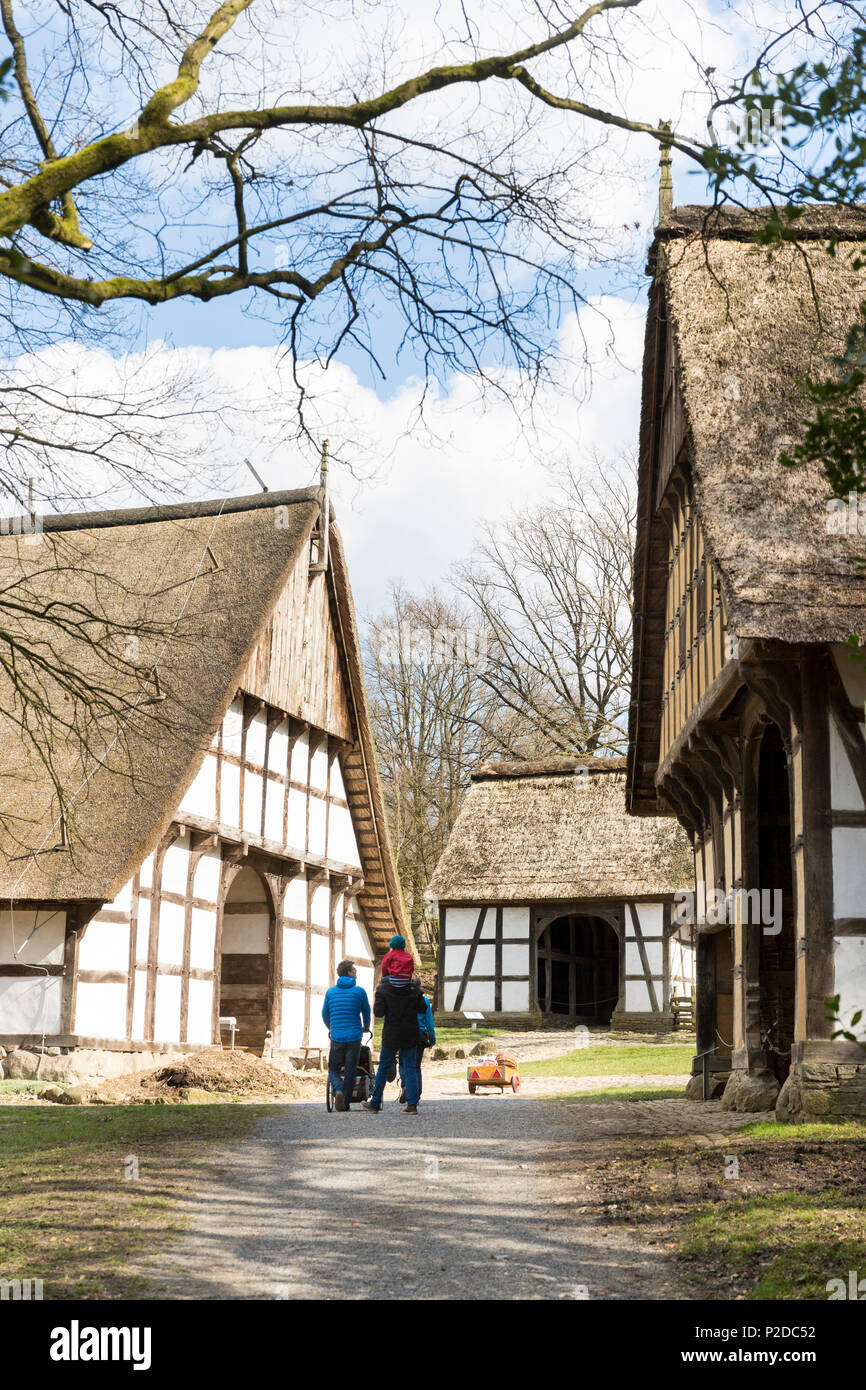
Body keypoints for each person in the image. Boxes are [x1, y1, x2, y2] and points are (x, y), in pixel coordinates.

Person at [364, 971, 427, 1114]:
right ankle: (412, 1105)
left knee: (383, 1068)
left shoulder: (383, 989)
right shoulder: (413, 990)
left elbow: (379, 1012)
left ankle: (375, 1103)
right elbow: (423, 1008)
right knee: (410, 1068)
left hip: (391, 1034)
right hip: (410, 1033)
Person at [322, 960, 371, 1111]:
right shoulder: (360, 991)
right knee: (350, 1069)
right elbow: (366, 1012)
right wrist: (366, 1027)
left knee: (334, 1068)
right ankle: (346, 1101)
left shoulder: (331, 992)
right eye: (354, 970)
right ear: (349, 972)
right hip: (355, 1036)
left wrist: (332, 1027)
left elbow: (325, 1014)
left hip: (337, 1036)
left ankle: (337, 1089)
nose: (356, 972)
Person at [399, 978, 435, 1105]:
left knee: (403, 1064)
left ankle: (405, 1086)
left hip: (404, 1034)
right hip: (419, 1036)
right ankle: (416, 1093)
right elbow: (429, 1022)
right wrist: (432, 1039)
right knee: (416, 1066)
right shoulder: (424, 1001)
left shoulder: (402, 999)